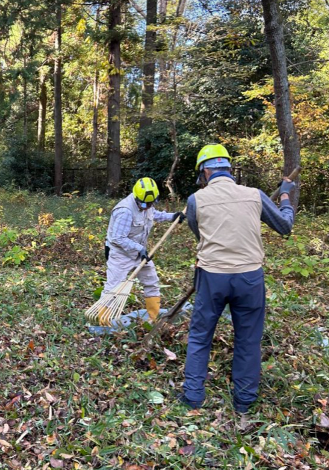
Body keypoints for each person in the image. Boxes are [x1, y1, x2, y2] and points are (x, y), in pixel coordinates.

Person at [178, 144, 295, 414]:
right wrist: (285, 197)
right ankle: (244, 400)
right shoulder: (255, 195)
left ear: (205, 171)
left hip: (212, 277)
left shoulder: (196, 200)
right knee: (248, 338)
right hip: (249, 278)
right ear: (228, 168)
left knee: (199, 336)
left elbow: (199, 233)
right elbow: (284, 226)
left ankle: (193, 396)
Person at [103, 177, 185, 323]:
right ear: (136, 197)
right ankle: (104, 320)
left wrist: (173, 216)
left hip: (140, 253)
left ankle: (153, 317)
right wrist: (139, 248)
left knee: (151, 281)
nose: (147, 206)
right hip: (120, 254)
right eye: (144, 203)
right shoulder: (125, 211)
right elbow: (117, 238)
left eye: (151, 203)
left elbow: (155, 214)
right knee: (114, 287)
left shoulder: (147, 203)